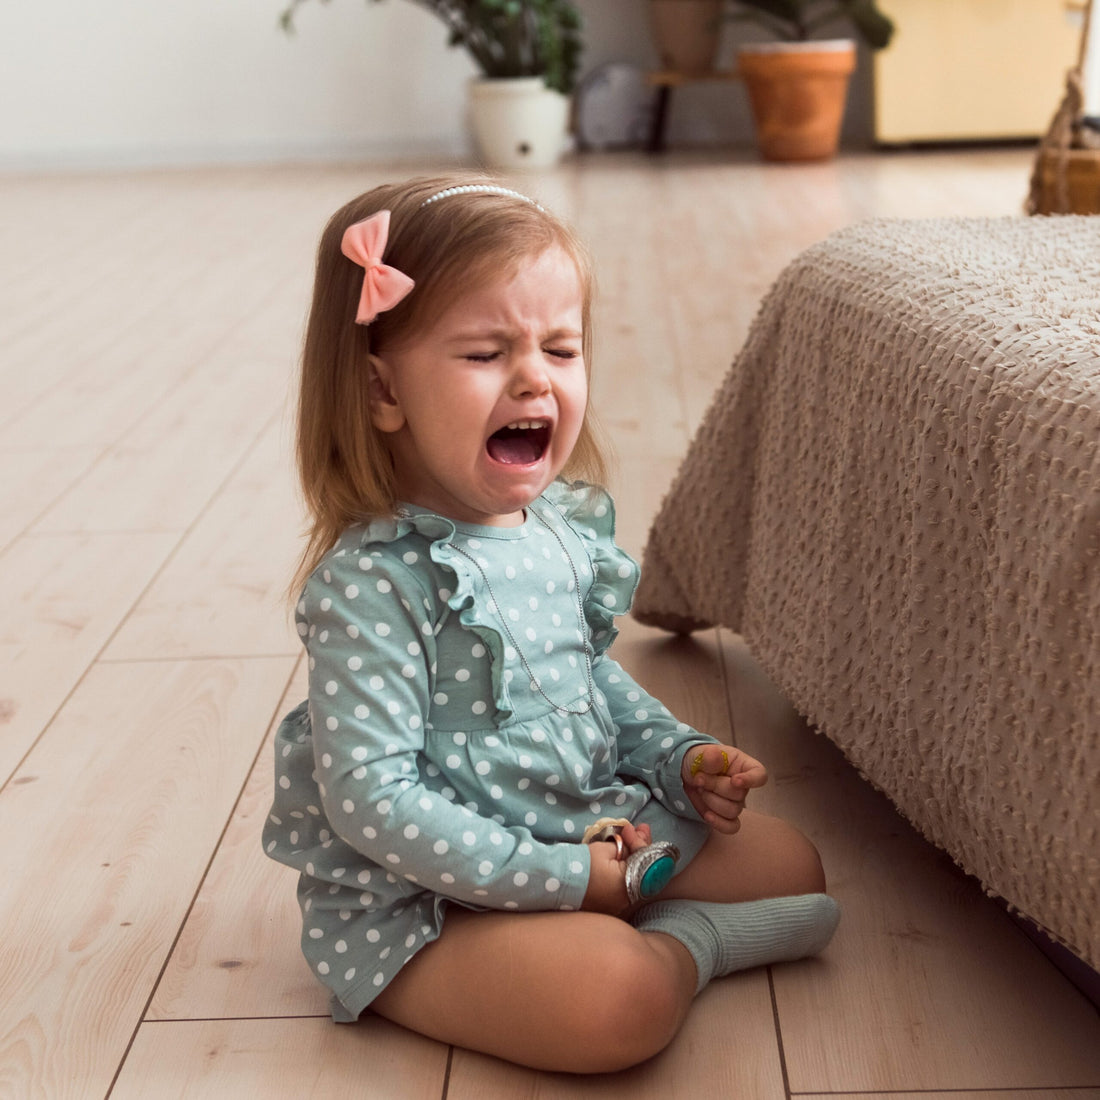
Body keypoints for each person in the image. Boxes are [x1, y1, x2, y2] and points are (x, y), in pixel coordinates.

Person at [263, 175, 839, 1074]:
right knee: (619, 1000)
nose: (535, 376)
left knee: (791, 864)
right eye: (486, 353)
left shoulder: (557, 532)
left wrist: (677, 758)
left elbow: (587, 679)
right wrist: (572, 884)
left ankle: (645, 923)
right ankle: (692, 949)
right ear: (383, 391)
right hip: (430, 903)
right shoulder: (372, 587)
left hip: (577, 826)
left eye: (561, 349)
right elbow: (372, 801)